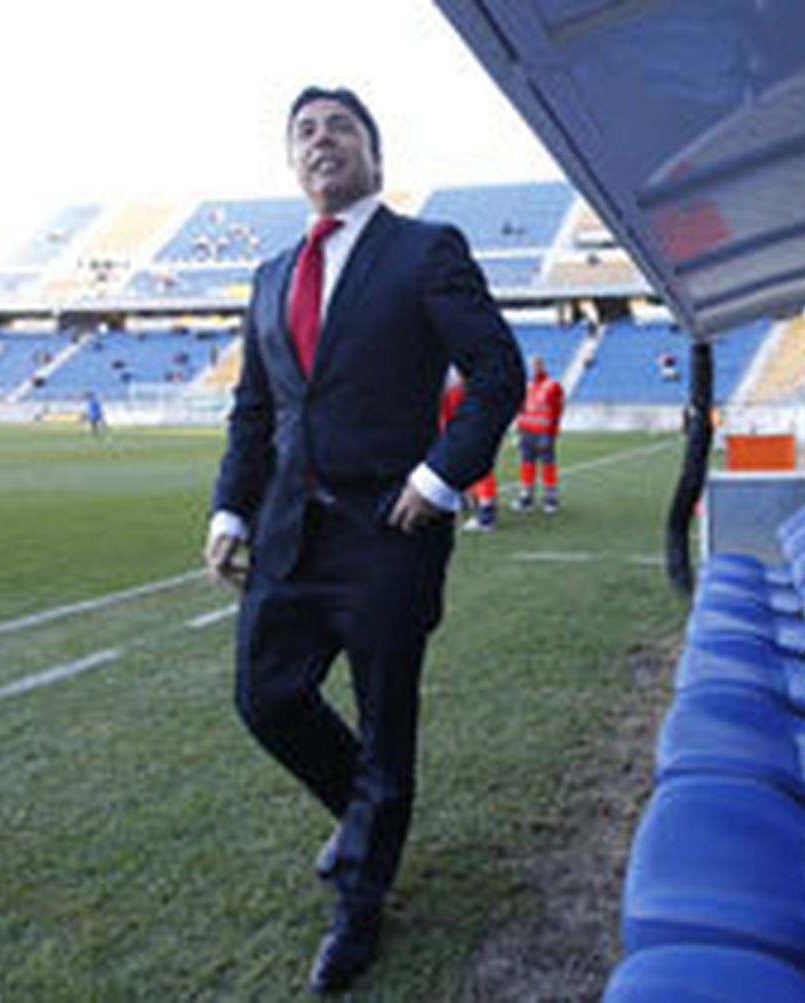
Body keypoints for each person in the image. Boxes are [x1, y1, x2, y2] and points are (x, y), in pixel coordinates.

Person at [202, 86, 524, 994]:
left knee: (387, 726)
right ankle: (367, 817)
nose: (320, 141)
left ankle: (361, 899)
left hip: (389, 528)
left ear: (374, 152)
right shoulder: (269, 276)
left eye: (338, 126)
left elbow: (496, 370)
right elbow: (255, 411)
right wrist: (231, 510)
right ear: (291, 161)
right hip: (288, 533)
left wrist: (437, 477)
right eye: (303, 131)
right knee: (267, 697)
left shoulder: (426, 250)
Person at [440, 371, 499, 532]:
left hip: (466, 429)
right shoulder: (468, 386)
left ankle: (486, 513)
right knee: (476, 466)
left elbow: (447, 415)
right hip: (474, 426)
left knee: (474, 466)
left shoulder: (454, 388)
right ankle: (478, 505)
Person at [512, 354, 565, 514]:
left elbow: (556, 412)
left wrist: (551, 434)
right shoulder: (527, 386)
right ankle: (526, 497)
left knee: (548, 466)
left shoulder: (553, 386)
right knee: (526, 465)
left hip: (543, 434)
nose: (533, 369)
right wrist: (519, 431)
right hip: (527, 432)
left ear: (542, 366)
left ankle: (550, 499)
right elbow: (521, 410)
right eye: (531, 366)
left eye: (536, 365)